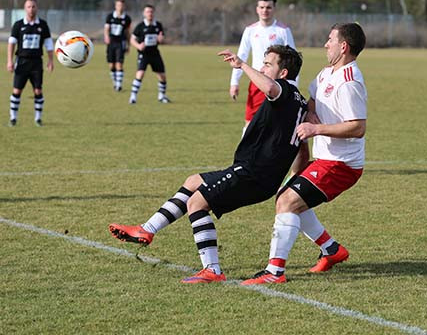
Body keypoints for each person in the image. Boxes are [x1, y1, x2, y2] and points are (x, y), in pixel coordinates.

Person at [109, 45, 308, 284]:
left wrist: (242, 65)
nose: (262, 67)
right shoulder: (301, 104)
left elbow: (269, 87)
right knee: (193, 181)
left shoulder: (283, 90)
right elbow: (302, 150)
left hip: (253, 172)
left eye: (268, 64)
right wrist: (291, 179)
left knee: (197, 203)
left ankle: (212, 269)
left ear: (283, 73)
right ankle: (147, 229)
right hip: (259, 174)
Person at [241, 23, 367, 285]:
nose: (326, 44)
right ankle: (331, 250)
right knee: (286, 198)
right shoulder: (326, 73)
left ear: (343, 46)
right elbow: (312, 101)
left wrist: (316, 127)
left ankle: (274, 272)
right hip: (325, 158)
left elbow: (358, 127)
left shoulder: (349, 81)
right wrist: (309, 113)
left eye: (330, 39)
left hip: (342, 164)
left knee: (288, 202)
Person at [229, 0, 295, 131]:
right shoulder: (250, 30)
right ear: (257, 9)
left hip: (278, 83)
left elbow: (292, 60)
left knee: (276, 122)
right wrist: (234, 82)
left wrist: (292, 85)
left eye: (269, 7)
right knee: (250, 122)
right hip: (257, 81)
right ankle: (246, 151)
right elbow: (241, 56)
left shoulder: (283, 31)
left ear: (274, 9)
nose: (265, 10)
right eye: (262, 7)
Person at [6, 0, 54, 127]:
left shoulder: (42, 25)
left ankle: (38, 119)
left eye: (33, 6)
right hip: (21, 62)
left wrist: (51, 60)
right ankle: (13, 118)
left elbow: (49, 44)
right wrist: (9, 61)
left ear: (37, 8)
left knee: (38, 91)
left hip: (36, 63)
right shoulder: (18, 25)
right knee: (17, 91)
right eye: (28, 7)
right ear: (24, 8)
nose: (31, 9)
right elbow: (11, 44)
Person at [128, 4, 170, 104]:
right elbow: (132, 40)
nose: (149, 14)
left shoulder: (158, 25)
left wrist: (161, 40)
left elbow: (161, 38)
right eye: (147, 12)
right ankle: (133, 97)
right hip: (144, 54)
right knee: (140, 74)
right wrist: (138, 46)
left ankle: (162, 96)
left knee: (162, 76)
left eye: (151, 12)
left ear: (153, 13)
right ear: (144, 13)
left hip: (155, 53)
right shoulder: (140, 26)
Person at [104, 0, 132, 91]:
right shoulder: (110, 16)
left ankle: (119, 85)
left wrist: (128, 44)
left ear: (124, 6)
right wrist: (106, 37)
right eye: (118, 5)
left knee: (119, 64)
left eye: (122, 5)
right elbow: (106, 28)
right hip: (111, 43)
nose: (120, 7)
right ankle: (115, 82)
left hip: (121, 42)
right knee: (111, 65)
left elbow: (128, 32)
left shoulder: (127, 18)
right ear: (115, 6)